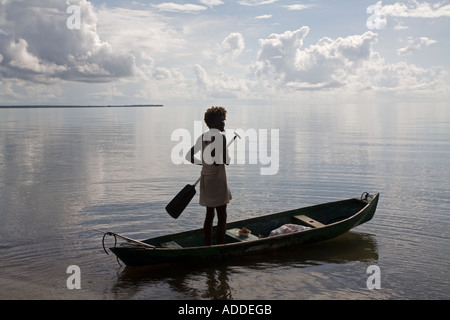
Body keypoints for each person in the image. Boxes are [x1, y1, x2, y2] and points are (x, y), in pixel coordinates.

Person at [186, 107, 232, 246]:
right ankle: (220, 246)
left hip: (206, 178)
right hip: (217, 180)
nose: (224, 123)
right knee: (222, 215)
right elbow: (222, 161)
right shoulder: (221, 137)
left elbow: (189, 156)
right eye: (222, 121)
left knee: (209, 214)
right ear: (214, 122)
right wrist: (226, 155)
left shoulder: (203, 137)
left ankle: (207, 245)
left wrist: (203, 164)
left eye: (224, 120)